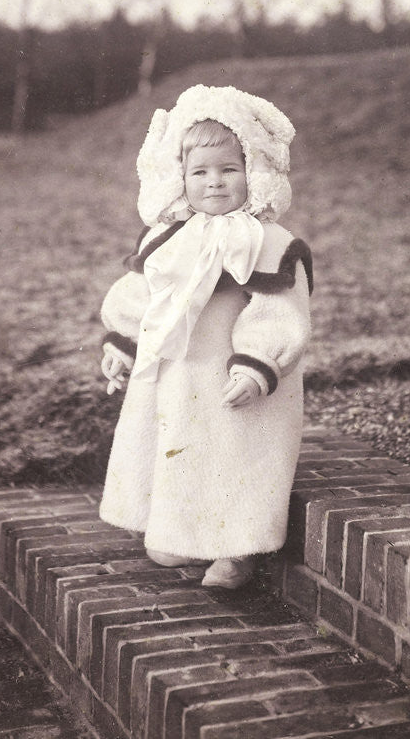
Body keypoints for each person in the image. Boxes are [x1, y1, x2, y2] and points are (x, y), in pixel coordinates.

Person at [99, 84, 312, 589]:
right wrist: (121, 343)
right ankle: (183, 531)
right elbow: (140, 295)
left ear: (253, 173)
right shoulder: (167, 238)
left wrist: (258, 361)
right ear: (180, 178)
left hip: (232, 371)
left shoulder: (269, 244)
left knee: (236, 452)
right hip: (180, 368)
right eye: (200, 172)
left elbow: (280, 311)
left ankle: (237, 550)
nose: (215, 183)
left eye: (229, 170)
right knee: (184, 444)